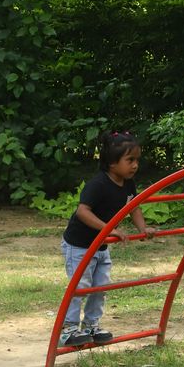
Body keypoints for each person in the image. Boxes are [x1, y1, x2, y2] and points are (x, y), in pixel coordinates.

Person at [58, 131, 157, 347]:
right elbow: (82, 212)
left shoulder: (128, 184)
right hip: (80, 245)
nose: (135, 165)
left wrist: (143, 229)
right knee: (80, 286)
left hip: (101, 246)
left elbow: (134, 208)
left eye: (137, 160)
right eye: (130, 160)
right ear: (112, 163)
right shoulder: (98, 184)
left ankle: (91, 325)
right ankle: (68, 329)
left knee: (100, 287)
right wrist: (109, 229)